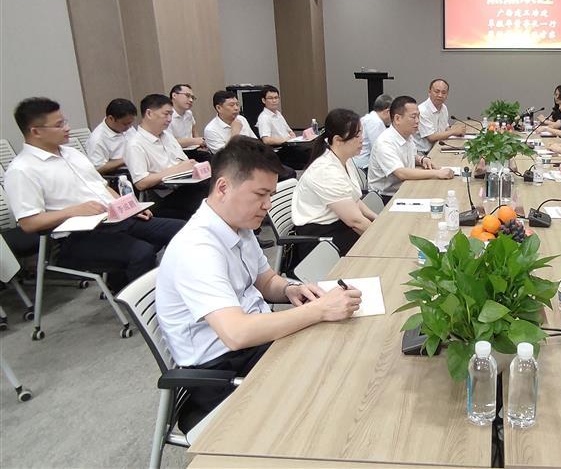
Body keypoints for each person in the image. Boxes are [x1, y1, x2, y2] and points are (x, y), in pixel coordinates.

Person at [155, 136, 361, 431]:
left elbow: (265, 281)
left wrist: (290, 290)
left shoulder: (238, 225)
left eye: (271, 195)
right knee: (337, 384)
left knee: (344, 350)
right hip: (224, 369)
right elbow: (236, 333)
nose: (267, 205)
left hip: (256, 344)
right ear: (223, 188)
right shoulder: (197, 248)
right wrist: (319, 310)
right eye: (260, 195)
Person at [4, 97, 184, 290]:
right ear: (36, 132)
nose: (67, 128)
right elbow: (29, 223)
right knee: (141, 252)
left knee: (182, 230)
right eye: (59, 125)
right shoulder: (22, 169)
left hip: (113, 220)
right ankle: (136, 300)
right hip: (76, 236)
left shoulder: (72, 154)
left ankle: (178, 287)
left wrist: (130, 207)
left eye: (65, 121)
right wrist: (73, 211)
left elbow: (102, 186)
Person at [292, 109, 378, 260]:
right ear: (338, 140)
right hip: (321, 240)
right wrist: (381, 236)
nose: (362, 140)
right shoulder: (326, 170)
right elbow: (355, 221)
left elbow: (353, 199)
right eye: (357, 135)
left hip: (339, 225)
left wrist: (377, 219)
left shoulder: (344, 159)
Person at [124, 94, 206, 221]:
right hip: (166, 196)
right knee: (211, 204)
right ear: (149, 113)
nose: (169, 119)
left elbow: (183, 162)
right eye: (166, 114)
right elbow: (141, 183)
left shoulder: (167, 136)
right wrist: (177, 169)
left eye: (171, 115)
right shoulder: (135, 144)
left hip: (187, 185)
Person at [368, 95, 454, 202]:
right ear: (397, 119)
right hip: (387, 197)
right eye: (413, 117)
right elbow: (401, 173)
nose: (418, 121)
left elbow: (411, 156)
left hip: (406, 187)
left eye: (418, 116)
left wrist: (422, 160)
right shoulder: (385, 142)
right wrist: (437, 173)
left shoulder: (407, 135)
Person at [255, 85, 309, 170]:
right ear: (263, 100)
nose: (274, 101)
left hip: (289, 146)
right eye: (270, 98)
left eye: (276, 98)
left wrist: (291, 134)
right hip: (279, 150)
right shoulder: (264, 117)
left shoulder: (278, 114)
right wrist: (285, 139)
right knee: (308, 155)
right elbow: (266, 140)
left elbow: (289, 130)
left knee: (311, 150)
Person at [413, 79, 466, 154]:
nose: (440, 95)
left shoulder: (444, 108)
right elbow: (431, 137)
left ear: (447, 95)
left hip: (439, 147)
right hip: (424, 153)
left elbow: (445, 128)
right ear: (429, 92)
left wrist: (458, 132)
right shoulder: (422, 110)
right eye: (437, 91)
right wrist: (454, 131)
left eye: (444, 92)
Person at [85, 98, 137, 174]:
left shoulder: (127, 127)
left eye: (131, 123)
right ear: (111, 118)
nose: (129, 127)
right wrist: (125, 159)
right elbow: (98, 168)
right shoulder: (97, 139)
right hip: (120, 174)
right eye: (125, 124)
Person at [353, 93, 392, 172]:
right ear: (387, 112)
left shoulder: (369, 118)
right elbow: (380, 149)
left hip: (359, 163)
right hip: (364, 166)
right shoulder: (376, 122)